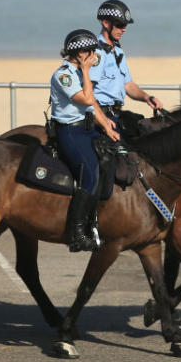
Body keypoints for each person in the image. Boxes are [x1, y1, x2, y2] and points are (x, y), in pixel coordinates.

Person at [49, 29, 120, 253]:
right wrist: (87, 71)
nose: (93, 55)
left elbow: (93, 105)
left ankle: (95, 222)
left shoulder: (80, 72)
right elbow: (87, 98)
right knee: (89, 174)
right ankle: (77, 234)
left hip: (86, 128)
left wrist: (106, 125)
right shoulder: (64, 75)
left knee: (110, 158)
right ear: (78, 53)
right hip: (69, 132)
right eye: (89, 51)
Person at [89, 0, 163, 137]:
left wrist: (147, 97)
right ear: (105, 23)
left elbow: (128, 85)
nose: (124, 29)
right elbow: (87, 92)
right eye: (120, 25)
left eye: (125, 25)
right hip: (101, 117)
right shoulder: (97, 53)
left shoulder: (117, 51)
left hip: (116, 114)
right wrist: (103, 121)